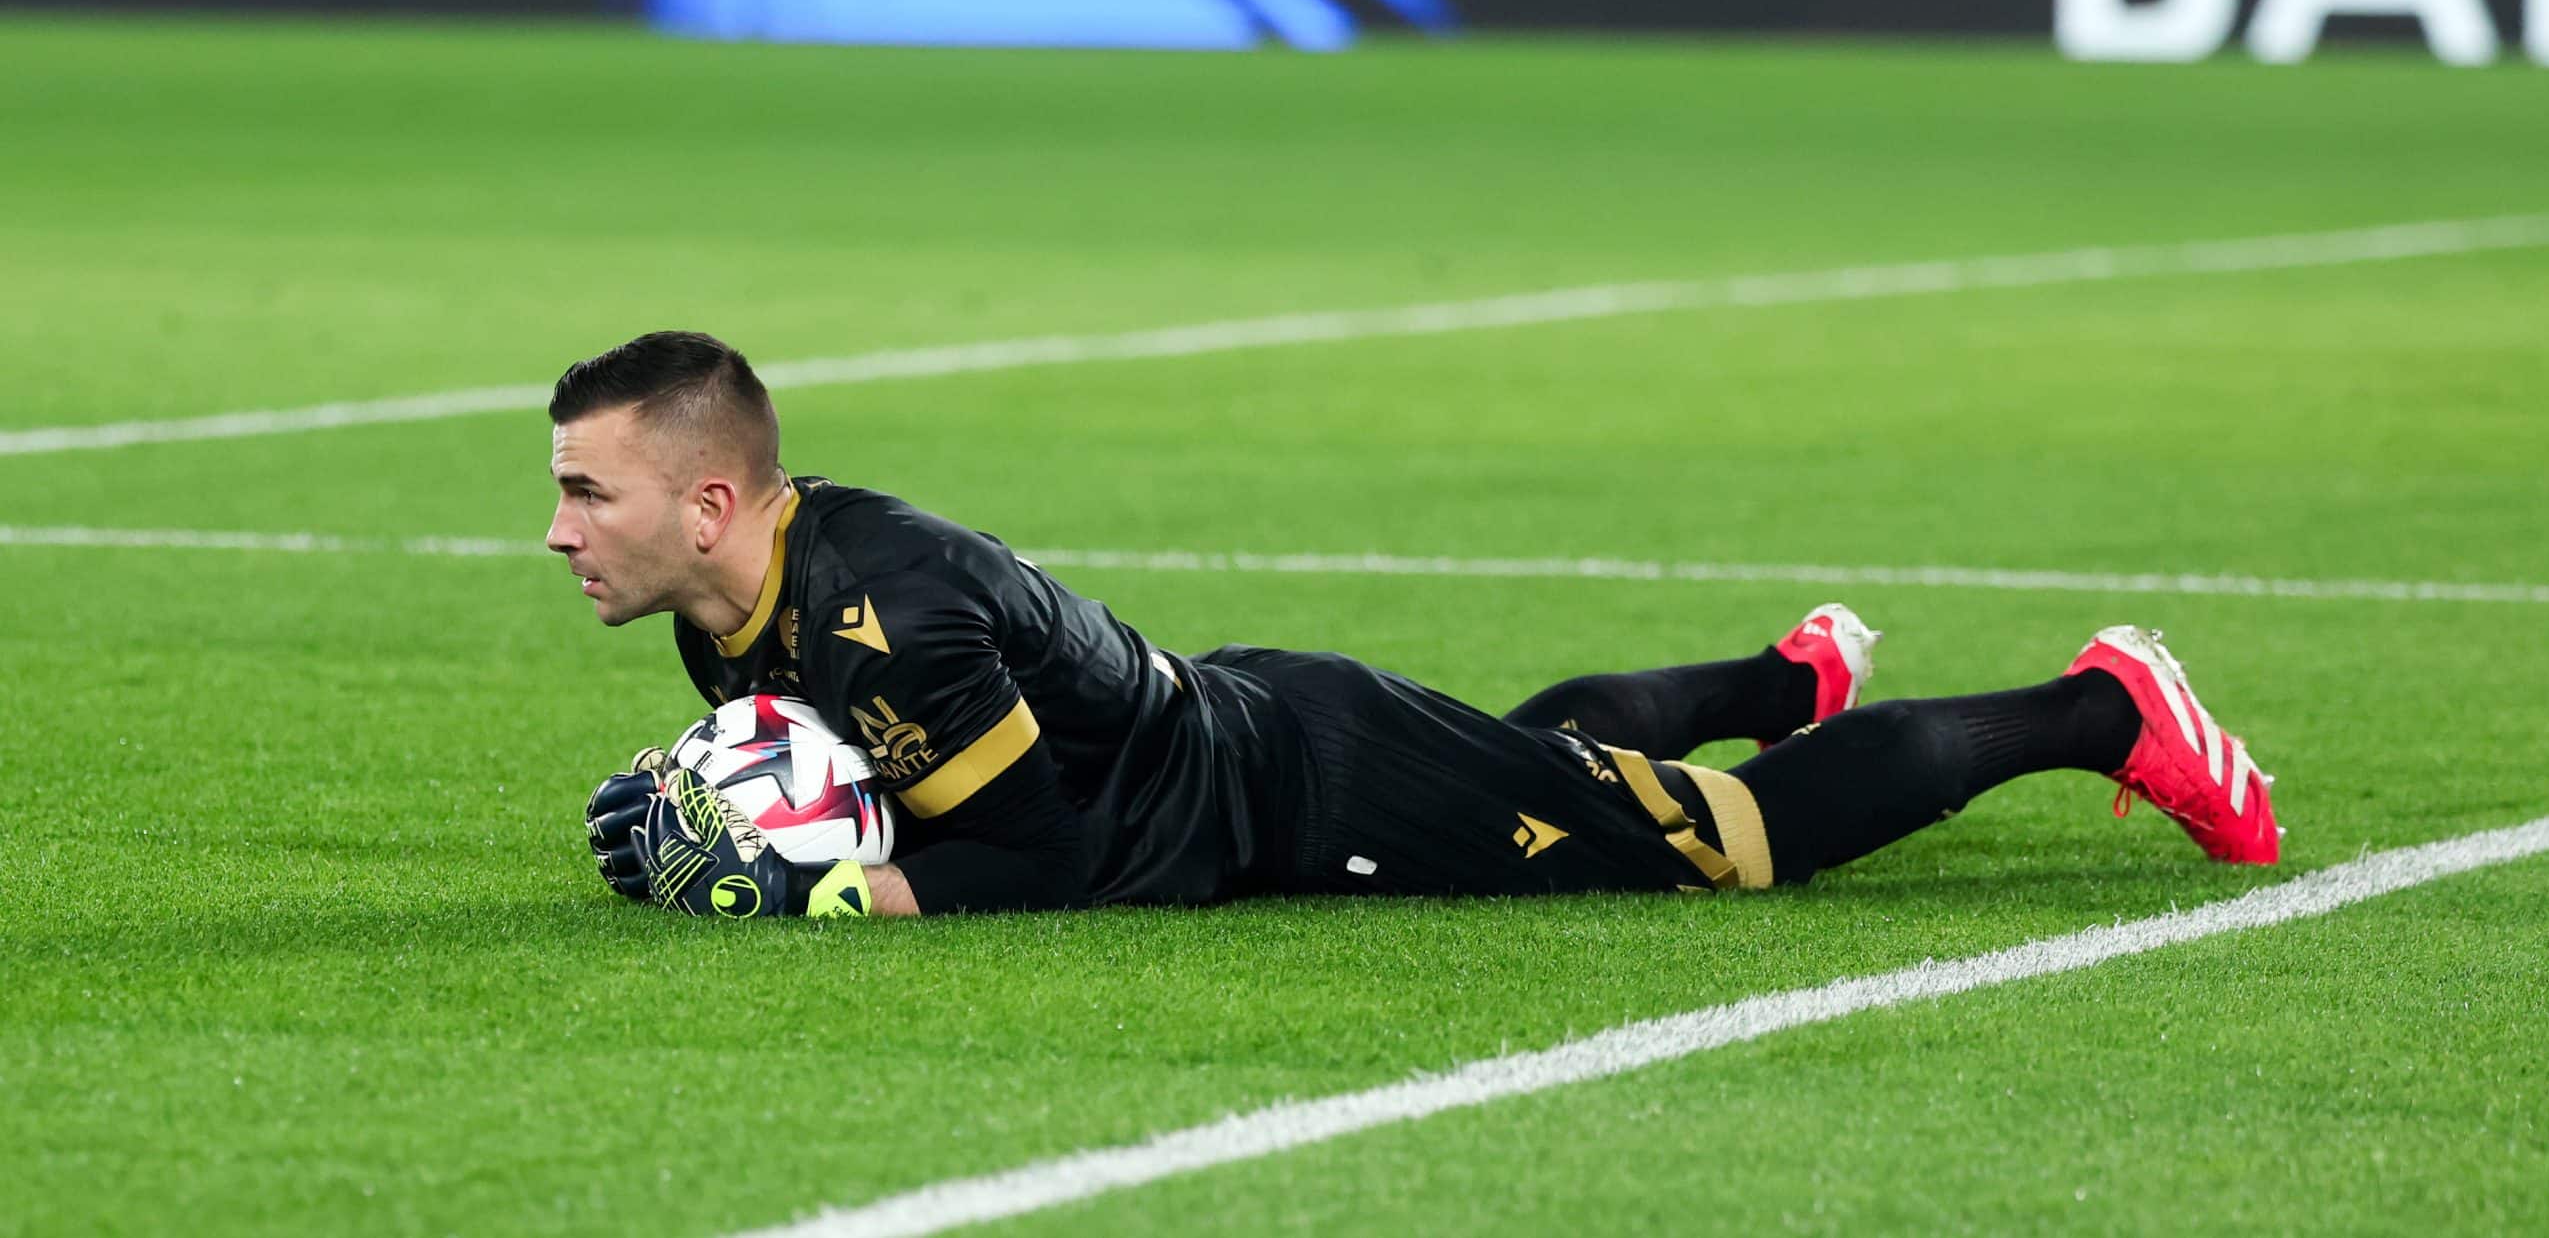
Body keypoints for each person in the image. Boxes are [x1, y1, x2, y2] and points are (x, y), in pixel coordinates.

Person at [561, 332, 2281, 921]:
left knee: (1739, 846)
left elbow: (1045, 854)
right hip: (1250, 753)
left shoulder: (893, 606)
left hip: (1307, 786)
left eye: (590, 493)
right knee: (1547, 759)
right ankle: (1784, 676)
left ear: (711, 500)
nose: (563, 530)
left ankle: (2105, 710)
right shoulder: (733, 598)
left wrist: (829, 887)